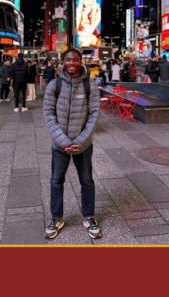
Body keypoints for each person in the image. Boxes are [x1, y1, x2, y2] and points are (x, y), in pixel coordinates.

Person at [43, 48, 101, 240]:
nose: (72, 63)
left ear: (80, 62)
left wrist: (79, 141)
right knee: (56, 181)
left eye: (75, 60)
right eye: (68, 59)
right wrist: (64, 141)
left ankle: (89, 216)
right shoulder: (54, 85)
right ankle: (57, 218)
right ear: (63, 62)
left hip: (82, 146)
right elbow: (49, 114)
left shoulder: (90, 86)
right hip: (60, 145)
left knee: (87, 181)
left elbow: (94, 115)